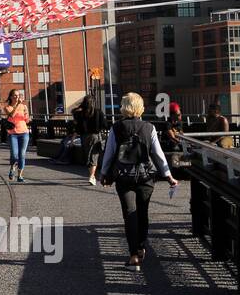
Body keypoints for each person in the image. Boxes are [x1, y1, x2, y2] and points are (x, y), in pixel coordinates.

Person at [96, 92, 179, 270]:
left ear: (124, 107)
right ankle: (141, 248)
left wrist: (103, 173)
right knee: (142, 213)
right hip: (145, 177)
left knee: (129, 214)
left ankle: (133, 256)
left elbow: (109, 153)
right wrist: (168, 175)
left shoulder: (116, 128)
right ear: (140, 107)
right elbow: (158, 154)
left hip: (124, 178)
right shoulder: (149, 128)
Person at [76, 97, 108, 186]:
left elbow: (77, 127)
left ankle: (91, 176)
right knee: (94, 155)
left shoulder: (80, 113)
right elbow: (105, 124)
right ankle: (92, 176)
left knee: (87, 156)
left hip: (84, 136)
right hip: (95, 136)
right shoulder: (98, 112)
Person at [2, 89, 31, 182]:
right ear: (11, 97)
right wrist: (18, 104)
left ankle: (20, 175)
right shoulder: (7, 107)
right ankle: (12, 168)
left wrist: (27, 115)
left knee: (22, 154)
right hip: (13, 133)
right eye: (15, 95)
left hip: (24, 132)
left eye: (18, 95)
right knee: (14, 155)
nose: (17, 97)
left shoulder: (23, 106)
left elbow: (26, 120)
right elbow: (12, 116)